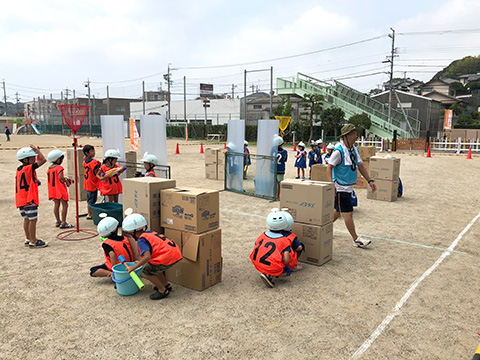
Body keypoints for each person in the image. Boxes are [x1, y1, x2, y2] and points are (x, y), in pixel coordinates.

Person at [327, 124, 376, 248]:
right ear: (346, 136)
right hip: (340, 187)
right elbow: (329, 167)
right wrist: (331, 185)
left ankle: (324, 227)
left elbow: (360, 166)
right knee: (348, 213)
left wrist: (370, 180)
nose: (356, 136)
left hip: (348, 186)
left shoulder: (354, 149)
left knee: (338, 211)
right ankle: (356, 239)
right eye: (353, 133)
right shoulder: (338, 151)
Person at [122, 213, 182, 300]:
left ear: (132, 232)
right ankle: (166, 285)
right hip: (174, 253)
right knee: (154, 267)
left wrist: (134, 267)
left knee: (147, 271)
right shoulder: (150, 233)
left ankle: (163, 290)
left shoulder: (141, 240)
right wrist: (139, 262)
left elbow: (147, 257)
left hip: (168, 256)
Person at [250, 209, 294, 288]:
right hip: (270, 265)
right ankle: (270, 275)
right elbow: (286, 260)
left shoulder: (262, 235)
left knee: (272, 261)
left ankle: (267, 272)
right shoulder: (284, 240)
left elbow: (257, 246)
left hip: (257, 263)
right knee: (288, 270)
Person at [15, 145, 48, 248]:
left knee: (26, 219)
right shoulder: (29, 167)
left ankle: (28, 238)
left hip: (21, 199)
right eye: (33, 157)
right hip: (29, 199)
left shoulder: (19, 169)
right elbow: (43, 160)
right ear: (25, 159)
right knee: (33, 220)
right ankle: (33, 241)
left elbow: (25, 180)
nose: (35, 159)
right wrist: (37, 150)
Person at [46, 149, 74, 229]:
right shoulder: (59, 167)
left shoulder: (49, 168)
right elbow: (60, 177)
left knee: (56, 204)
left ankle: (58, 221)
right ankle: (64, 222)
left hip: (52, 189)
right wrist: (66, 180)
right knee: (65, 205)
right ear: (58, 159)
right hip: (60, 189)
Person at [82, 145, 102, 220]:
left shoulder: (84, 161)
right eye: (92, 151)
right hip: (92, 183)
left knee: (90, 199)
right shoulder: (93, 162)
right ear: (87, 153)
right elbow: (97, 171)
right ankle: (90, 214)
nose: (94, 152)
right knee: (91, 200)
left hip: (87, 183)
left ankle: (90, 213)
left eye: (94, 151)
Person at [274, 135, 287, 201]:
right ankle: (278, 196)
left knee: (274, 182)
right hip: (281, 169)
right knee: (279, 183)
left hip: (273, 169)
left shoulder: (273, 150)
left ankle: (273, 194)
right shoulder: (285, 152)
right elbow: (285, 160)